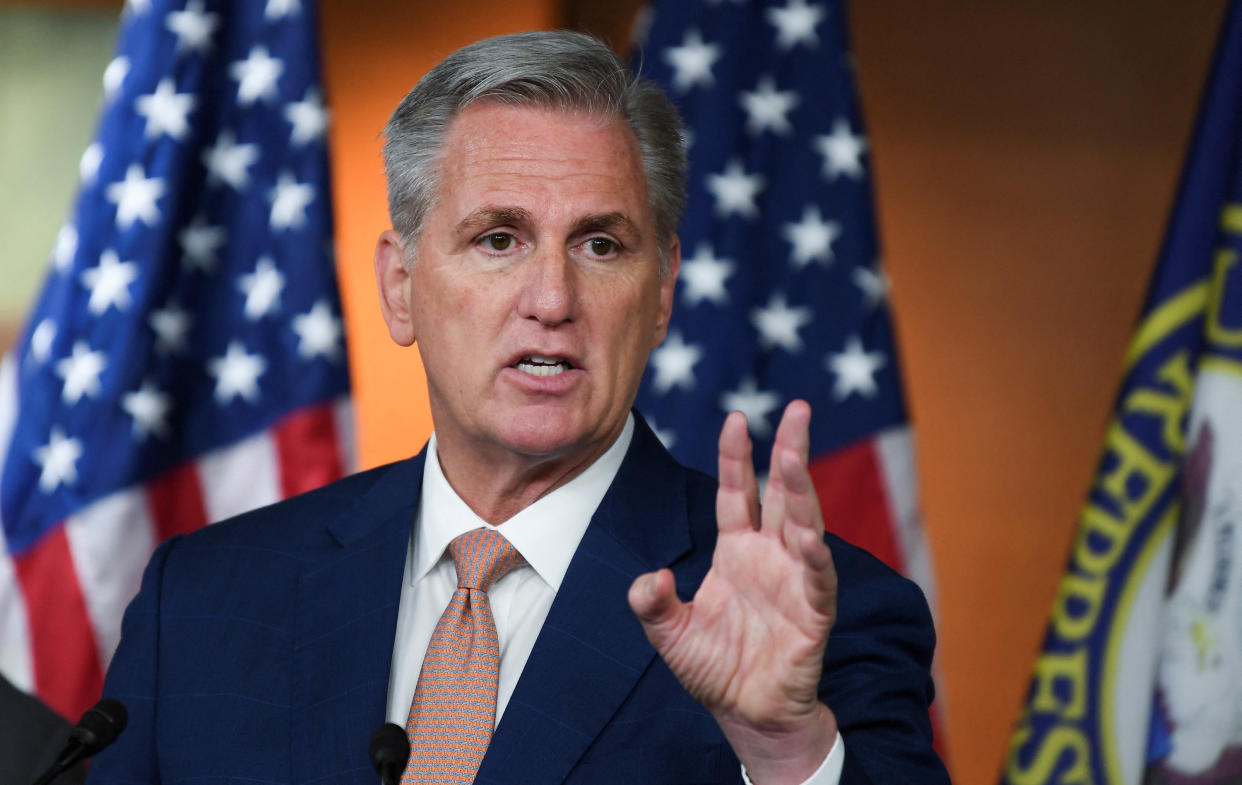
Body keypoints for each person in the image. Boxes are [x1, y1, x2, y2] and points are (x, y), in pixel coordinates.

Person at [88, 31, 947, 785]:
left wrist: (788, 754)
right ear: (401, 286)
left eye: (600, 244)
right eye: (499, 238)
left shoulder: (822, 620)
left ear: (660, 295)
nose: (551, 296)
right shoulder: (199, 602)